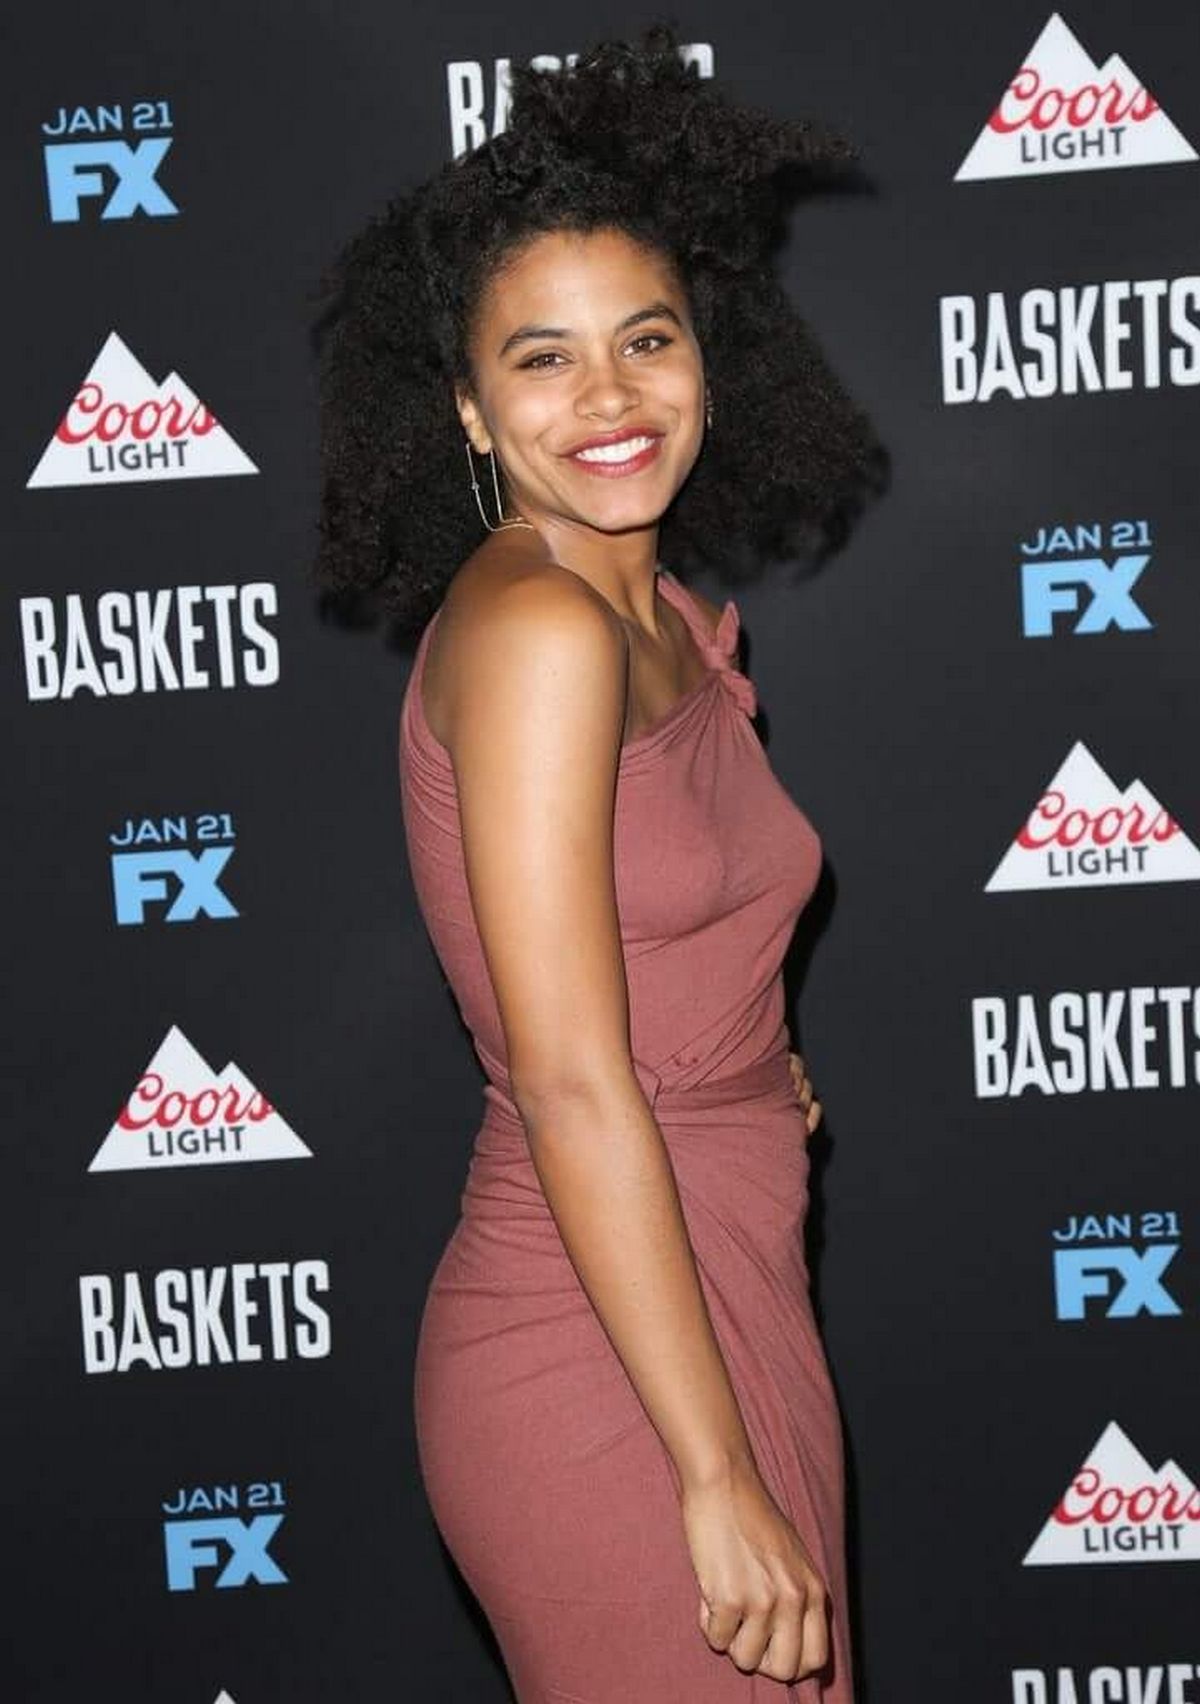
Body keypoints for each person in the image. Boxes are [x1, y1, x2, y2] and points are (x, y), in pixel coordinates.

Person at [312, 25, 882, 1700]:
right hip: (606, 1359)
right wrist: (710, 1475)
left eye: (646, 338)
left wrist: (746, 1082)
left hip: (722, 1277)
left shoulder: (662, 617)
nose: (611, 396)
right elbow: (566, 1078)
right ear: (470, 408)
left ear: (709, 354)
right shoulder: (539, 633)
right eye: (543, 358)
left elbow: (664, 951)